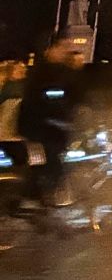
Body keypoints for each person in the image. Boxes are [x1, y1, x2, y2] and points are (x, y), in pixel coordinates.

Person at [15, 39, 87, 203]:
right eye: (62, 48)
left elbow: (74, 97)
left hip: (47, 127)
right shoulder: (44, 73)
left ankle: (40, 198)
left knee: (48, 163)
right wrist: (60, 118)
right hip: (40, 129)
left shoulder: (58, 72)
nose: (65, 52)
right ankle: (40, 199)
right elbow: (45, 101)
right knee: (50, 162)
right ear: (50, 50)